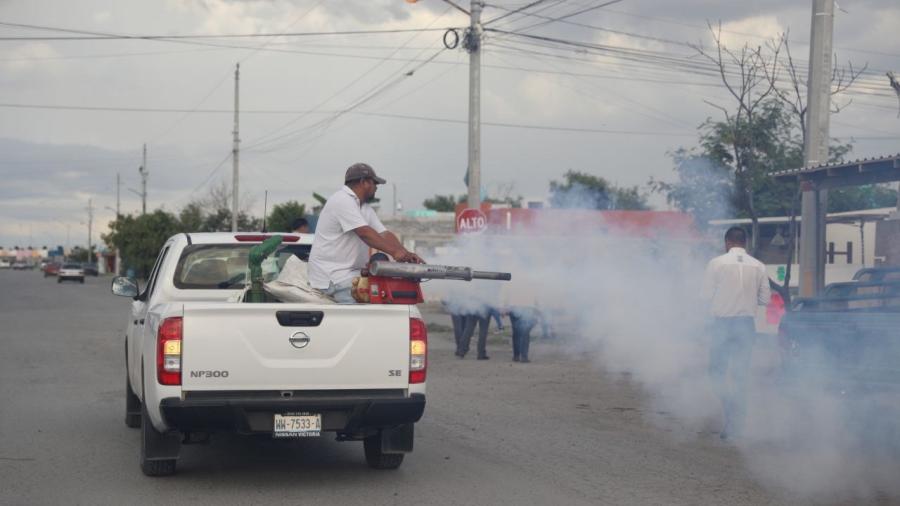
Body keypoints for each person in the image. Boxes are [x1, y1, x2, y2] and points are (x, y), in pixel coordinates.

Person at [307, 163, 424, 303]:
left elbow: (384, 234)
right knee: (376, 306)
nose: (376, 188)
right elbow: (365, 233)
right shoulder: (342, 200)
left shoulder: (364, 207)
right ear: (363, 182)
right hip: (334, 277)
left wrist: (405, 253)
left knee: (385, 294)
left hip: (349, 274)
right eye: (374, 183)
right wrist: (395, 253)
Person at [701, 226, 770, 441]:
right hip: (746, 326)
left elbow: (704, 296)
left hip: (723, 325)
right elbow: (765, 300)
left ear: (727, 242)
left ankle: (731, 414)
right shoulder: (759, 266)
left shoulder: (717, 263)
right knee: (740, 376)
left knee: (716, 372)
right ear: (744, 243)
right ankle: (737, 419)